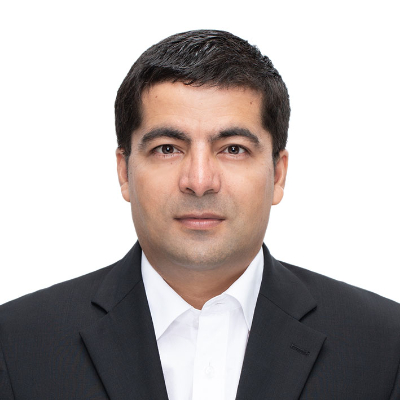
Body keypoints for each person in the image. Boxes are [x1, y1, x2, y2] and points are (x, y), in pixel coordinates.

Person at [0, 29, 399, 400]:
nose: (200, 181)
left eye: (233, 149)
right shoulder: (16, 344)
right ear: (124, 172)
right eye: (168, 148)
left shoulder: (385, 345)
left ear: (278, 174)